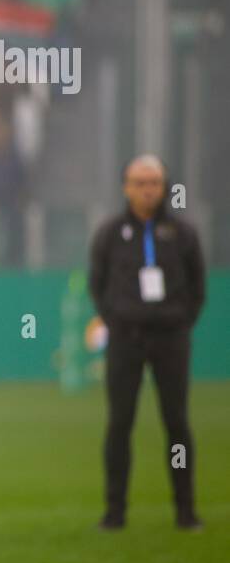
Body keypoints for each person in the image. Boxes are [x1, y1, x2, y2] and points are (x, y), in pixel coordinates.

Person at [88, 154, 205, 531]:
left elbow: (197, 286)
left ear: (165, 186)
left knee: (177, 423)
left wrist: (179, 320)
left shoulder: (183, 234)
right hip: (126, 338)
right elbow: (98, 283)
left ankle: (185, 511)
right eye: (140, 182)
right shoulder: (110, 233)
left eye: (154, 182)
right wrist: (117, 318)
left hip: (171, 338)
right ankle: (115, 511)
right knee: (120, 422)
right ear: (126, 187)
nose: (147, 189)